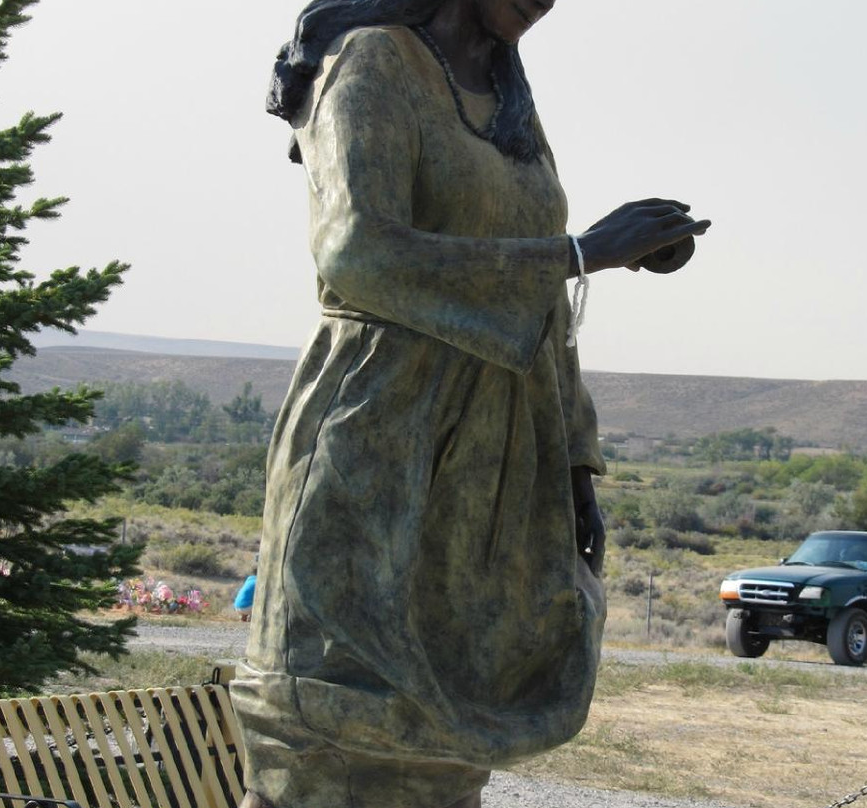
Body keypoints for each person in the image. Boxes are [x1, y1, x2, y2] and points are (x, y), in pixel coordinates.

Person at [232, 2, 710, 807]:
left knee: (446, 745)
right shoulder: (375, 62)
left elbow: (542, 308)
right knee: (338, 728)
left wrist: (574, 467)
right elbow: (356, 252)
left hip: (489, 471)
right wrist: (584, 253)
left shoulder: (506, 92)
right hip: (377, 440)